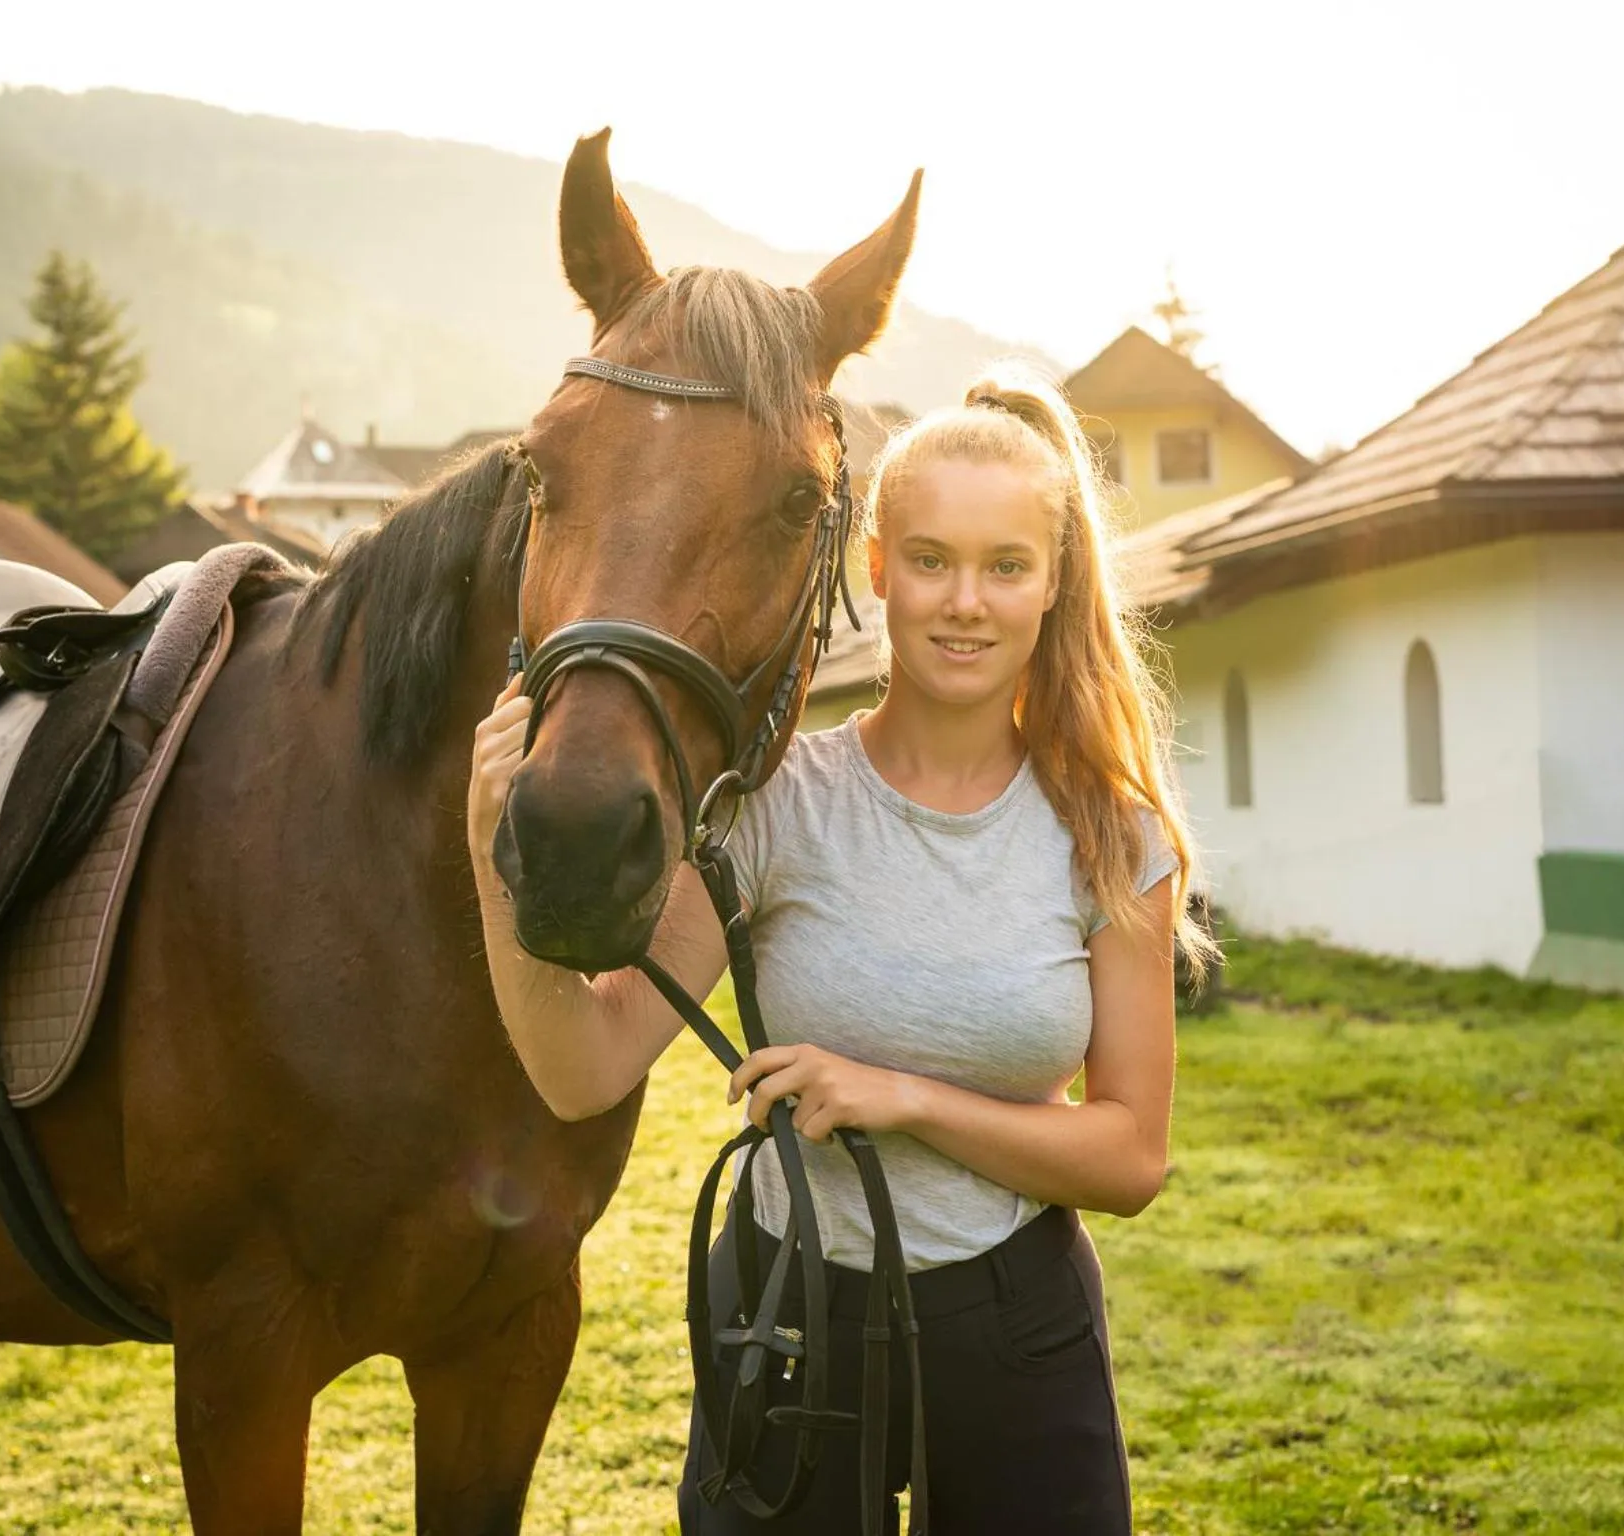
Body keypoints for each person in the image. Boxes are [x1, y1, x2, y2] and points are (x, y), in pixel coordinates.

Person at [468, 364, 1213, 1534]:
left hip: (1015, 1325)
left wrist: (901, 1099)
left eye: (1004, 566)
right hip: (786, 1314)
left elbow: (1128, 1160)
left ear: (1051, 582)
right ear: (873, 568)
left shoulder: (1108, 834)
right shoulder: (774, 803)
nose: (963, 602)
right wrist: (486, 852)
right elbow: (583, 1066)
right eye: (929, 561)